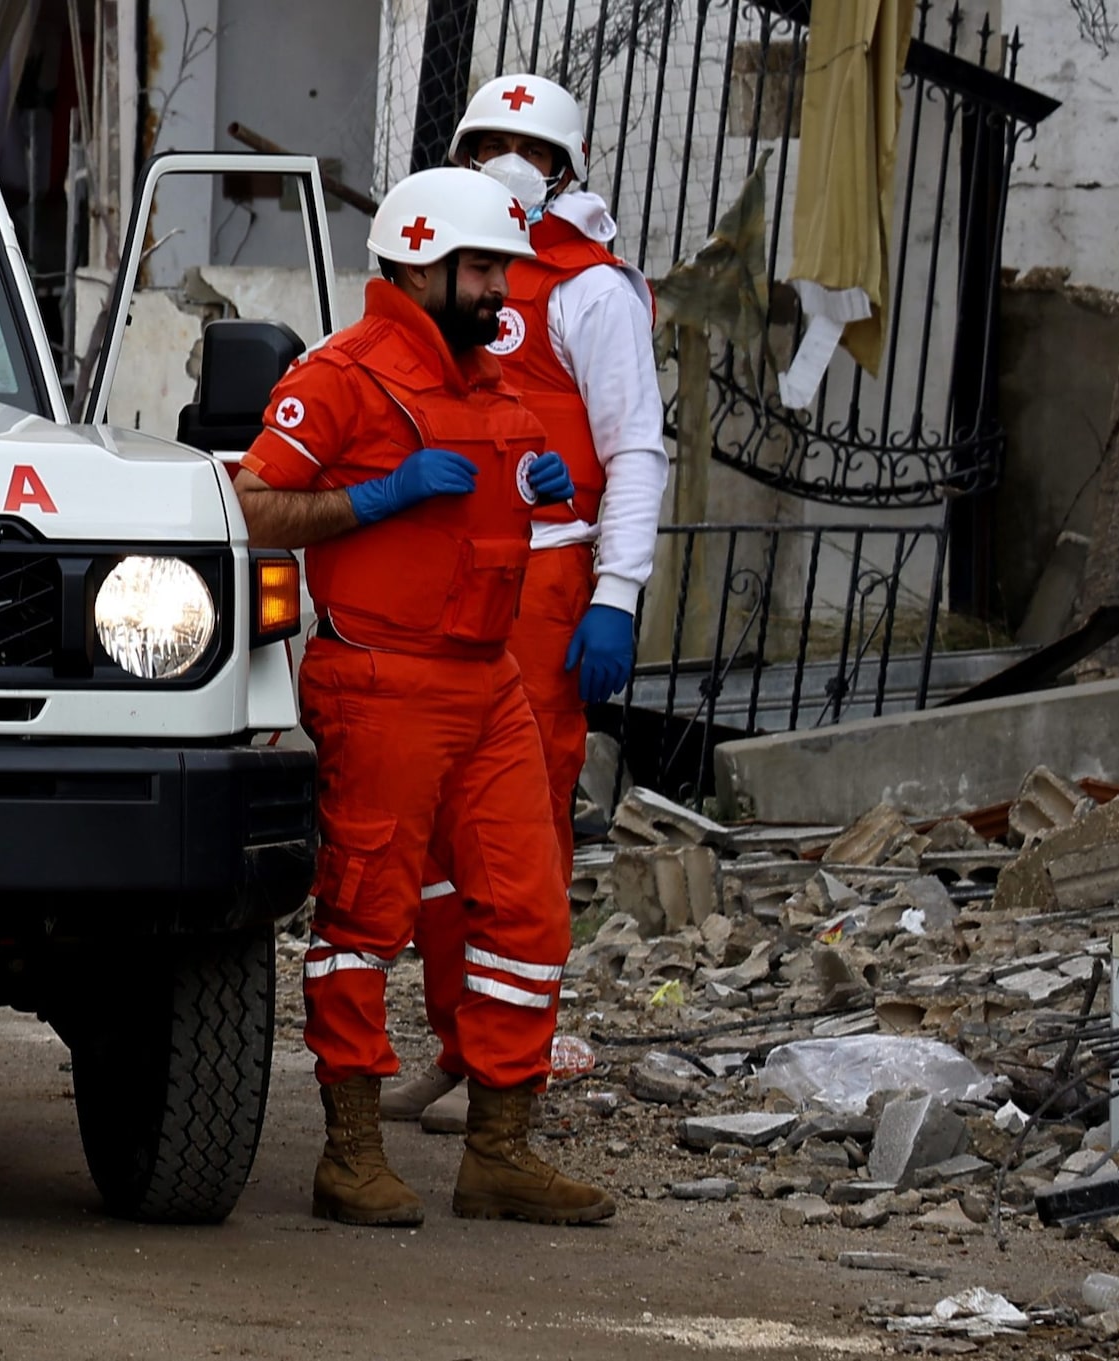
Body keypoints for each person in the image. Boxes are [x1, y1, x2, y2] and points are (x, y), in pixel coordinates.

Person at [234, 166, 616, 1229]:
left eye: (503, 268)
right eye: (482, 268)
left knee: (529, 906)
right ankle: (350, 1154)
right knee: (367, 911)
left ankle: (500, 1152)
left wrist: (542, 489)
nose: (500, 289)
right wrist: (377, 497)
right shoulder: (340, 376)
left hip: (489, 681)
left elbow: (509, 497)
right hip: (380, 679)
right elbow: (253, 504)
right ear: (417, 263)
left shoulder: (490, 382)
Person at [385, 73, 669, 1127]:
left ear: (564, 170)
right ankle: (460, 1046)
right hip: (439, 579)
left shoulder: (591, 292)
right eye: (489, 143)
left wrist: (617, 593)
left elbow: (634, 448)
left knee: (519, 833)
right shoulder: (432, 273)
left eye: (532, 148)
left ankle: (515, 1063)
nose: (509, 162)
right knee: (429, 836)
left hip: (544, 583)